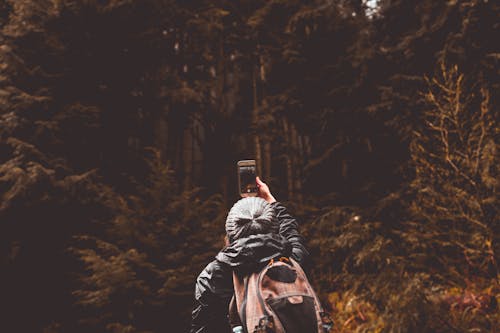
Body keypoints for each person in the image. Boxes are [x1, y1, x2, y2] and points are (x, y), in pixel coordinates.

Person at [190, 177, 309, 333]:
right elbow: (292, 233)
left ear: (230, 235)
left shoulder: (213, 276)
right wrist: (271, 202)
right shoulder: (291, 261)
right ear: (274, 229)